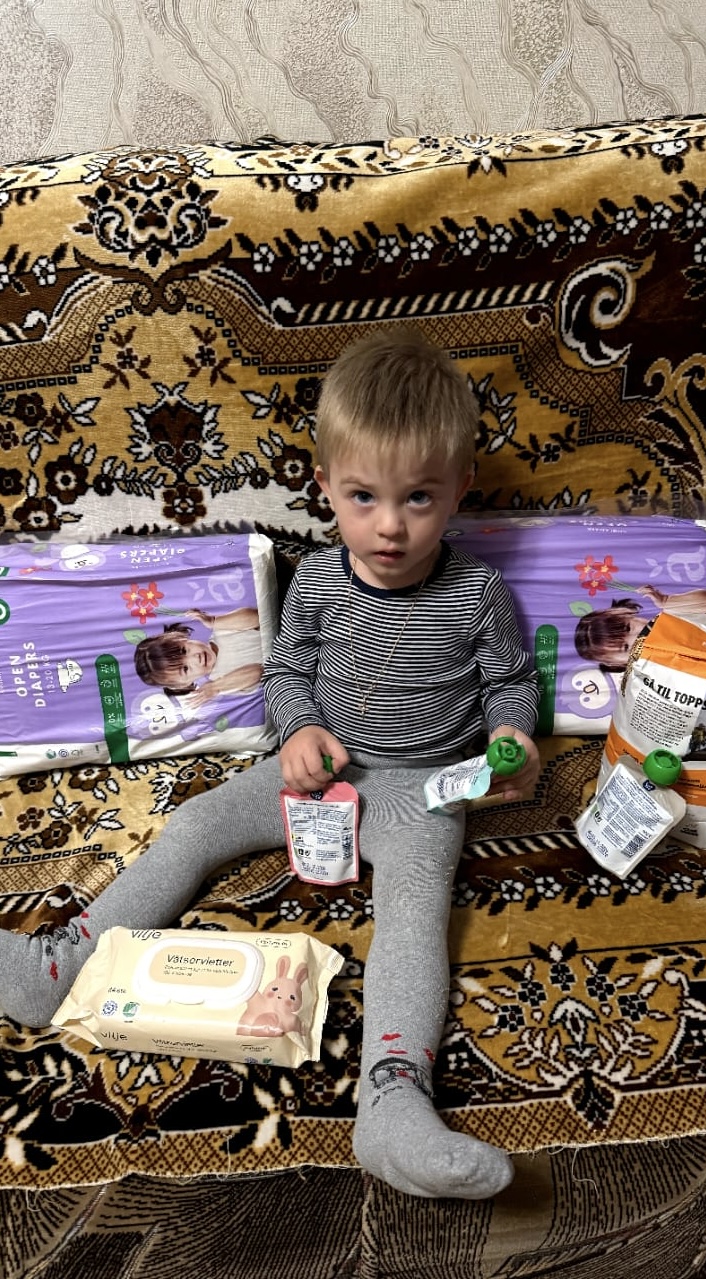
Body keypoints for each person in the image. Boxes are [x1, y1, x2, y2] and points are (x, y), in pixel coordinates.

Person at [0, 327, 540, 1201]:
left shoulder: (477, 592)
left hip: (421, 789)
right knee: (196, 825)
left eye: (418, 497)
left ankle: (392, 1098)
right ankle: (55, 966)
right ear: (324, 486)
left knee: (414, 911)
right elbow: (287, 673)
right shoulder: (318, 581)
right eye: (363, 496)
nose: (390, 525)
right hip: (318, 771)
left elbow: (510, 681)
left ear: (459, 487)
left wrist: (512, 736)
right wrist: (297, 731)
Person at [133, 607, 263, 709]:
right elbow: (258, 672)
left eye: (184, 650)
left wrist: (214, 622)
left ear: (180, 637)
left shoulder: (221, 630)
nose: (196, 657)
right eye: (185, 668)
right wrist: (216, 687)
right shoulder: (221, 682)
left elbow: (258, 618)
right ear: (184, 684)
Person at [574, 586, 706, 671]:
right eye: (625, 647)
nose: (636, 637)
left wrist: (668, 601)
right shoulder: (641, 679)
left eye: (628, 628)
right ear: (617, 664)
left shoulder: (671, 617)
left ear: (627, 613)